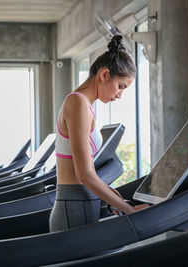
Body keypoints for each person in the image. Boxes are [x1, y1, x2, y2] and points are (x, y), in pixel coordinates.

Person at [49, 35, 149, 232]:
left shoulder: (84, 104)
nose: (120, 95)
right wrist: (129, 210)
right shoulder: (77, 103)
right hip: (74, 208)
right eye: (121, 86)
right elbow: (84, 174)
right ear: (104, 75)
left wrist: (115, 198)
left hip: (82, 203)